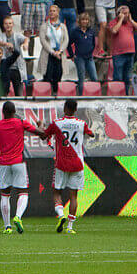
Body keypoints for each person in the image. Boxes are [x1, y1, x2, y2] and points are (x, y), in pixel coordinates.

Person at [40, 99, 96, 234]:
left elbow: (44, 135)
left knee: (57, 192)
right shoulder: (82, 124)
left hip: (61, 163)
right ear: (76, 109)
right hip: (78, 164)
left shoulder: (57, 123)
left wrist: (40, 125)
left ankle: (61, 215)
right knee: (73, 196)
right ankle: (70, 227)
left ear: (64, 108)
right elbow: (92, 134)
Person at [0, 100, 43, 234]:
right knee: (23, 192)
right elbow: (40, 133)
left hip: (4, 163)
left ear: (3, 112)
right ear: (14, 112)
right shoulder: (20, 122)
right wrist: (41, 125)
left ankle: (7, 226)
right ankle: (18, 217)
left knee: (5, 195)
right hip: (18, 162)